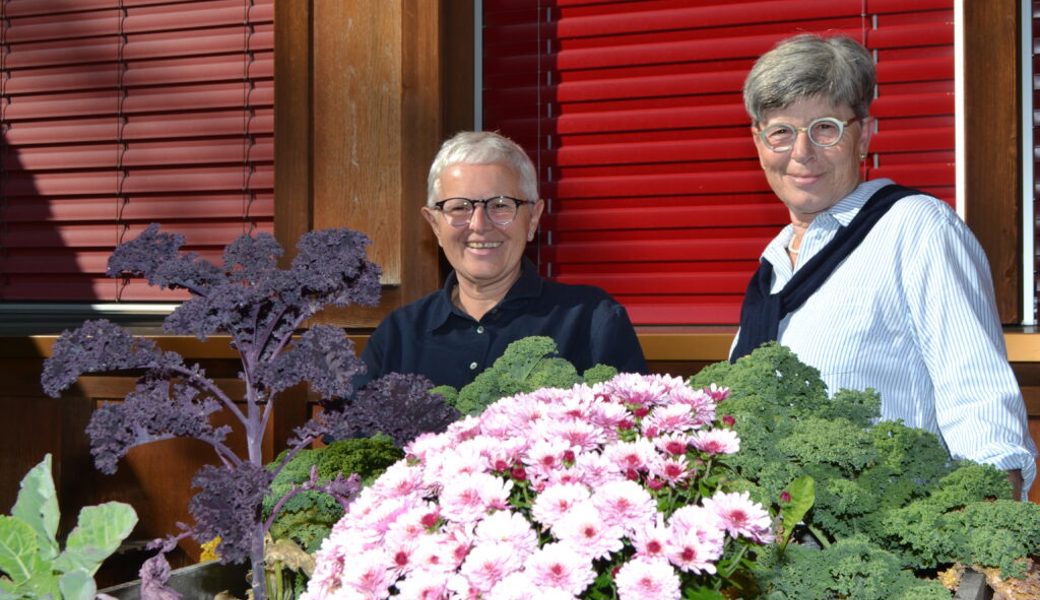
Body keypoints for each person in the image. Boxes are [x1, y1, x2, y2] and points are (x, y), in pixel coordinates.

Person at [730, 34, 1037, 499]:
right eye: (781, 131)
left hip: (899, 553)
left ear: (864, 134)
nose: (801, 152)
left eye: (825, 128)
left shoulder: (916, 230)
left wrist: (989, 542)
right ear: (758, 142)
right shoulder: (774, 266)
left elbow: (980, 405)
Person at [356, 130, 646, 391]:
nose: (479, 224)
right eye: (459, 207)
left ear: (532, 219)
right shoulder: (398, 335)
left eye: (500, 206)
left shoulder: (592, 320)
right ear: (435, 226)